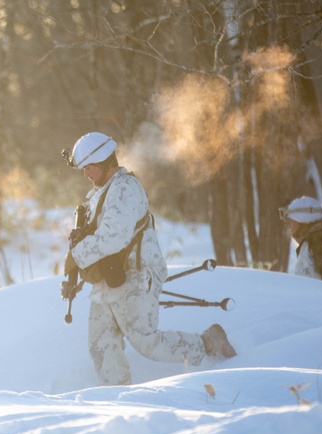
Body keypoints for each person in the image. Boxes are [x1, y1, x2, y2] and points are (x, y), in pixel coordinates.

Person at [62, 132, 236, 386]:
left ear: (106, 163)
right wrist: (76, 274)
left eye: (90, 168)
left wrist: (76, 256)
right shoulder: (102, 192)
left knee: (147, 342)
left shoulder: (124, 190)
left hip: (137, 274)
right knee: (101, 343)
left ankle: (208, 343)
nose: (86, 174)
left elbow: (113, 237)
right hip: (110, 279)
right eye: (84, 169)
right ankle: (116, 396)